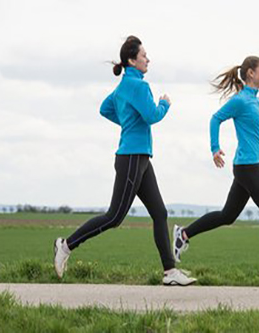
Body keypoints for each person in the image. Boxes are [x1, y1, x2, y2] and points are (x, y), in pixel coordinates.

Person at [53, 36, 196, 286]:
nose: (148, 59)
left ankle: (170, 272)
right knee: (114, 217)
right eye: (144, 56)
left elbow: (105, 109)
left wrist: (128, 121)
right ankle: (65, 246)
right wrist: (164, 104)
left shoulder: (123, 87)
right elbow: (152, 116)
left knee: (160, 213)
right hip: (131, 157)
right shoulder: (139, 86)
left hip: (140, 158)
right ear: (132, 60)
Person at [173, 56, 259, 283]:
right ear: (250, 73)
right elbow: (215, 119)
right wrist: (215, 148)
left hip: (249, 167)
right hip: (247, 168)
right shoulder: (240, 101)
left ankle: (184, 234)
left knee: (227, 215)